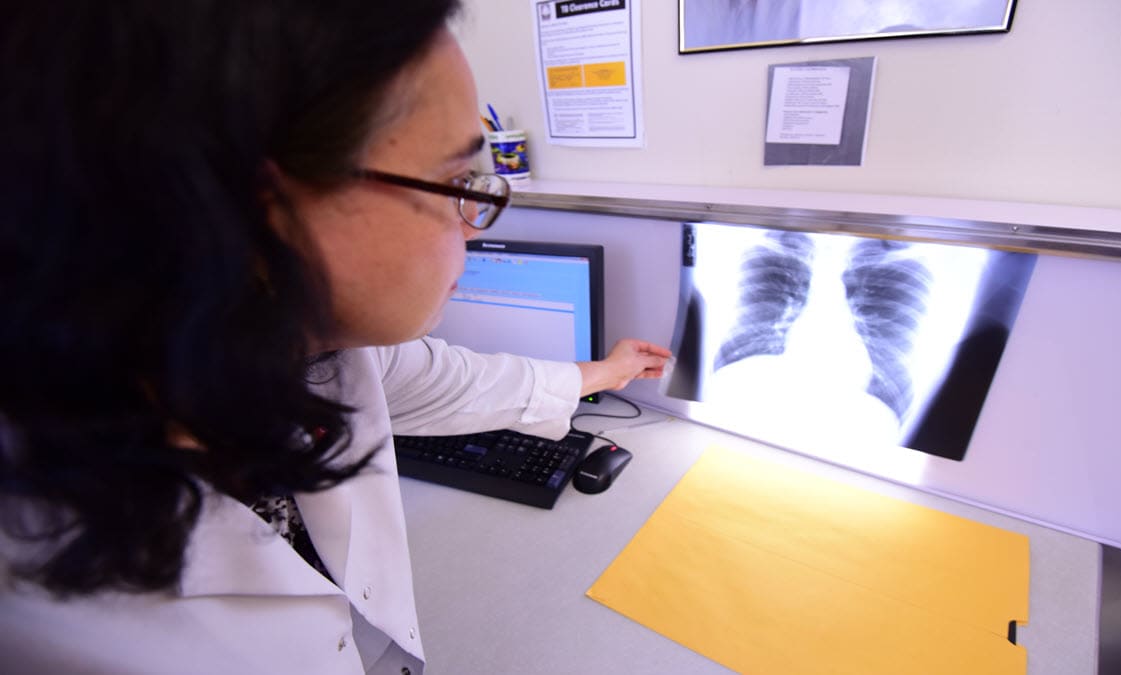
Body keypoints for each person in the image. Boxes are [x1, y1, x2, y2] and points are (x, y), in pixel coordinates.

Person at [0, 2, 670, 673]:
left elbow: (455, 379)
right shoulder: (39, 626)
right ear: (254, 210)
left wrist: (599, 374)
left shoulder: (314, 351)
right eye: (455, 183)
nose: (474, 224)